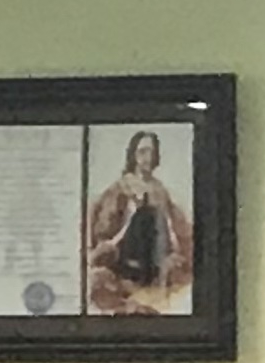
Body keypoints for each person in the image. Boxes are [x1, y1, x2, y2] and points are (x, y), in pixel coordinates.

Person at [82, 127, 193, 314]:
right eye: (142, 152)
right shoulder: (120, 188)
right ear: (133, 154)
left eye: (151, 152)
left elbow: (170, 226)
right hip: (125, 264)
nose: (147, 158)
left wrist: (176, 250)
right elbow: (105, 229)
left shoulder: (159, 189)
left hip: (155, 266)